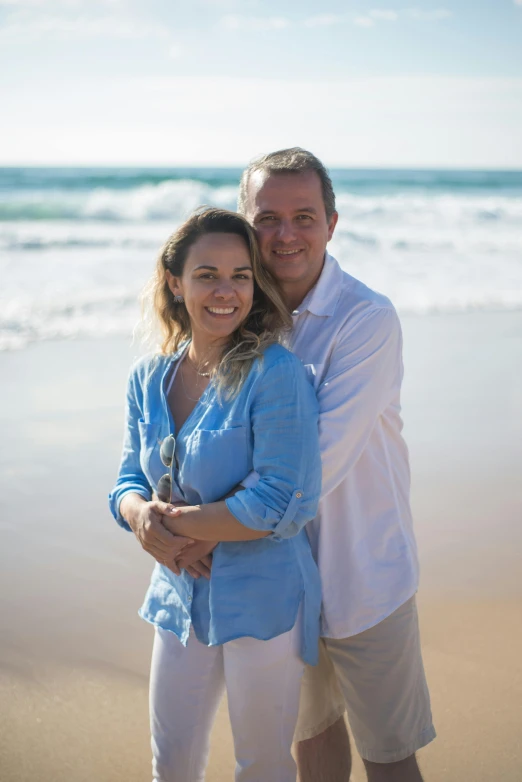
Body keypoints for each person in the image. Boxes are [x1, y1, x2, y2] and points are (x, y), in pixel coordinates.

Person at [176, 150, 436, 782]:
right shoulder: (236, 320)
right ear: (245, 224)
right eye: (267, 218)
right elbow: (194, 434)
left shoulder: (365, 319)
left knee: (390, 759)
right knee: (313, 749)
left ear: (332, 223)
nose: (286, 235)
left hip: (362, 573)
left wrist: (189, 526)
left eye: (304, 216)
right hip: (277, 582)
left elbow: (311, 468)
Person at [109, 207, 322, 782]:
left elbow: (281, 501)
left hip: (264, 599)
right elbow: (127, 480)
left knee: (262, 767)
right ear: (176, 283)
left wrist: (170, 528)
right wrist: (138, 516)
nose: (225, 291)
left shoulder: (276, 373)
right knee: (171, 764)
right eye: (207, 275)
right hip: (177, 595)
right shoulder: (147, 378)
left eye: (240, 275)